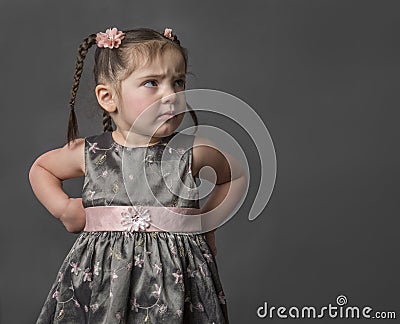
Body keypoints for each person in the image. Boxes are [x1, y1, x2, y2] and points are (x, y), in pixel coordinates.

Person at [29, 26, 246, 323]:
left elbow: (234, 175)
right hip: (103, 278)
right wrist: (65, 208)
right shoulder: (92, 153)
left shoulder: (191, 151)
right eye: (152, 83)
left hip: (176, 282)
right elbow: (42, 168)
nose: (171, 95)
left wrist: (207, 224)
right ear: (109, 97)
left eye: (178, 82)